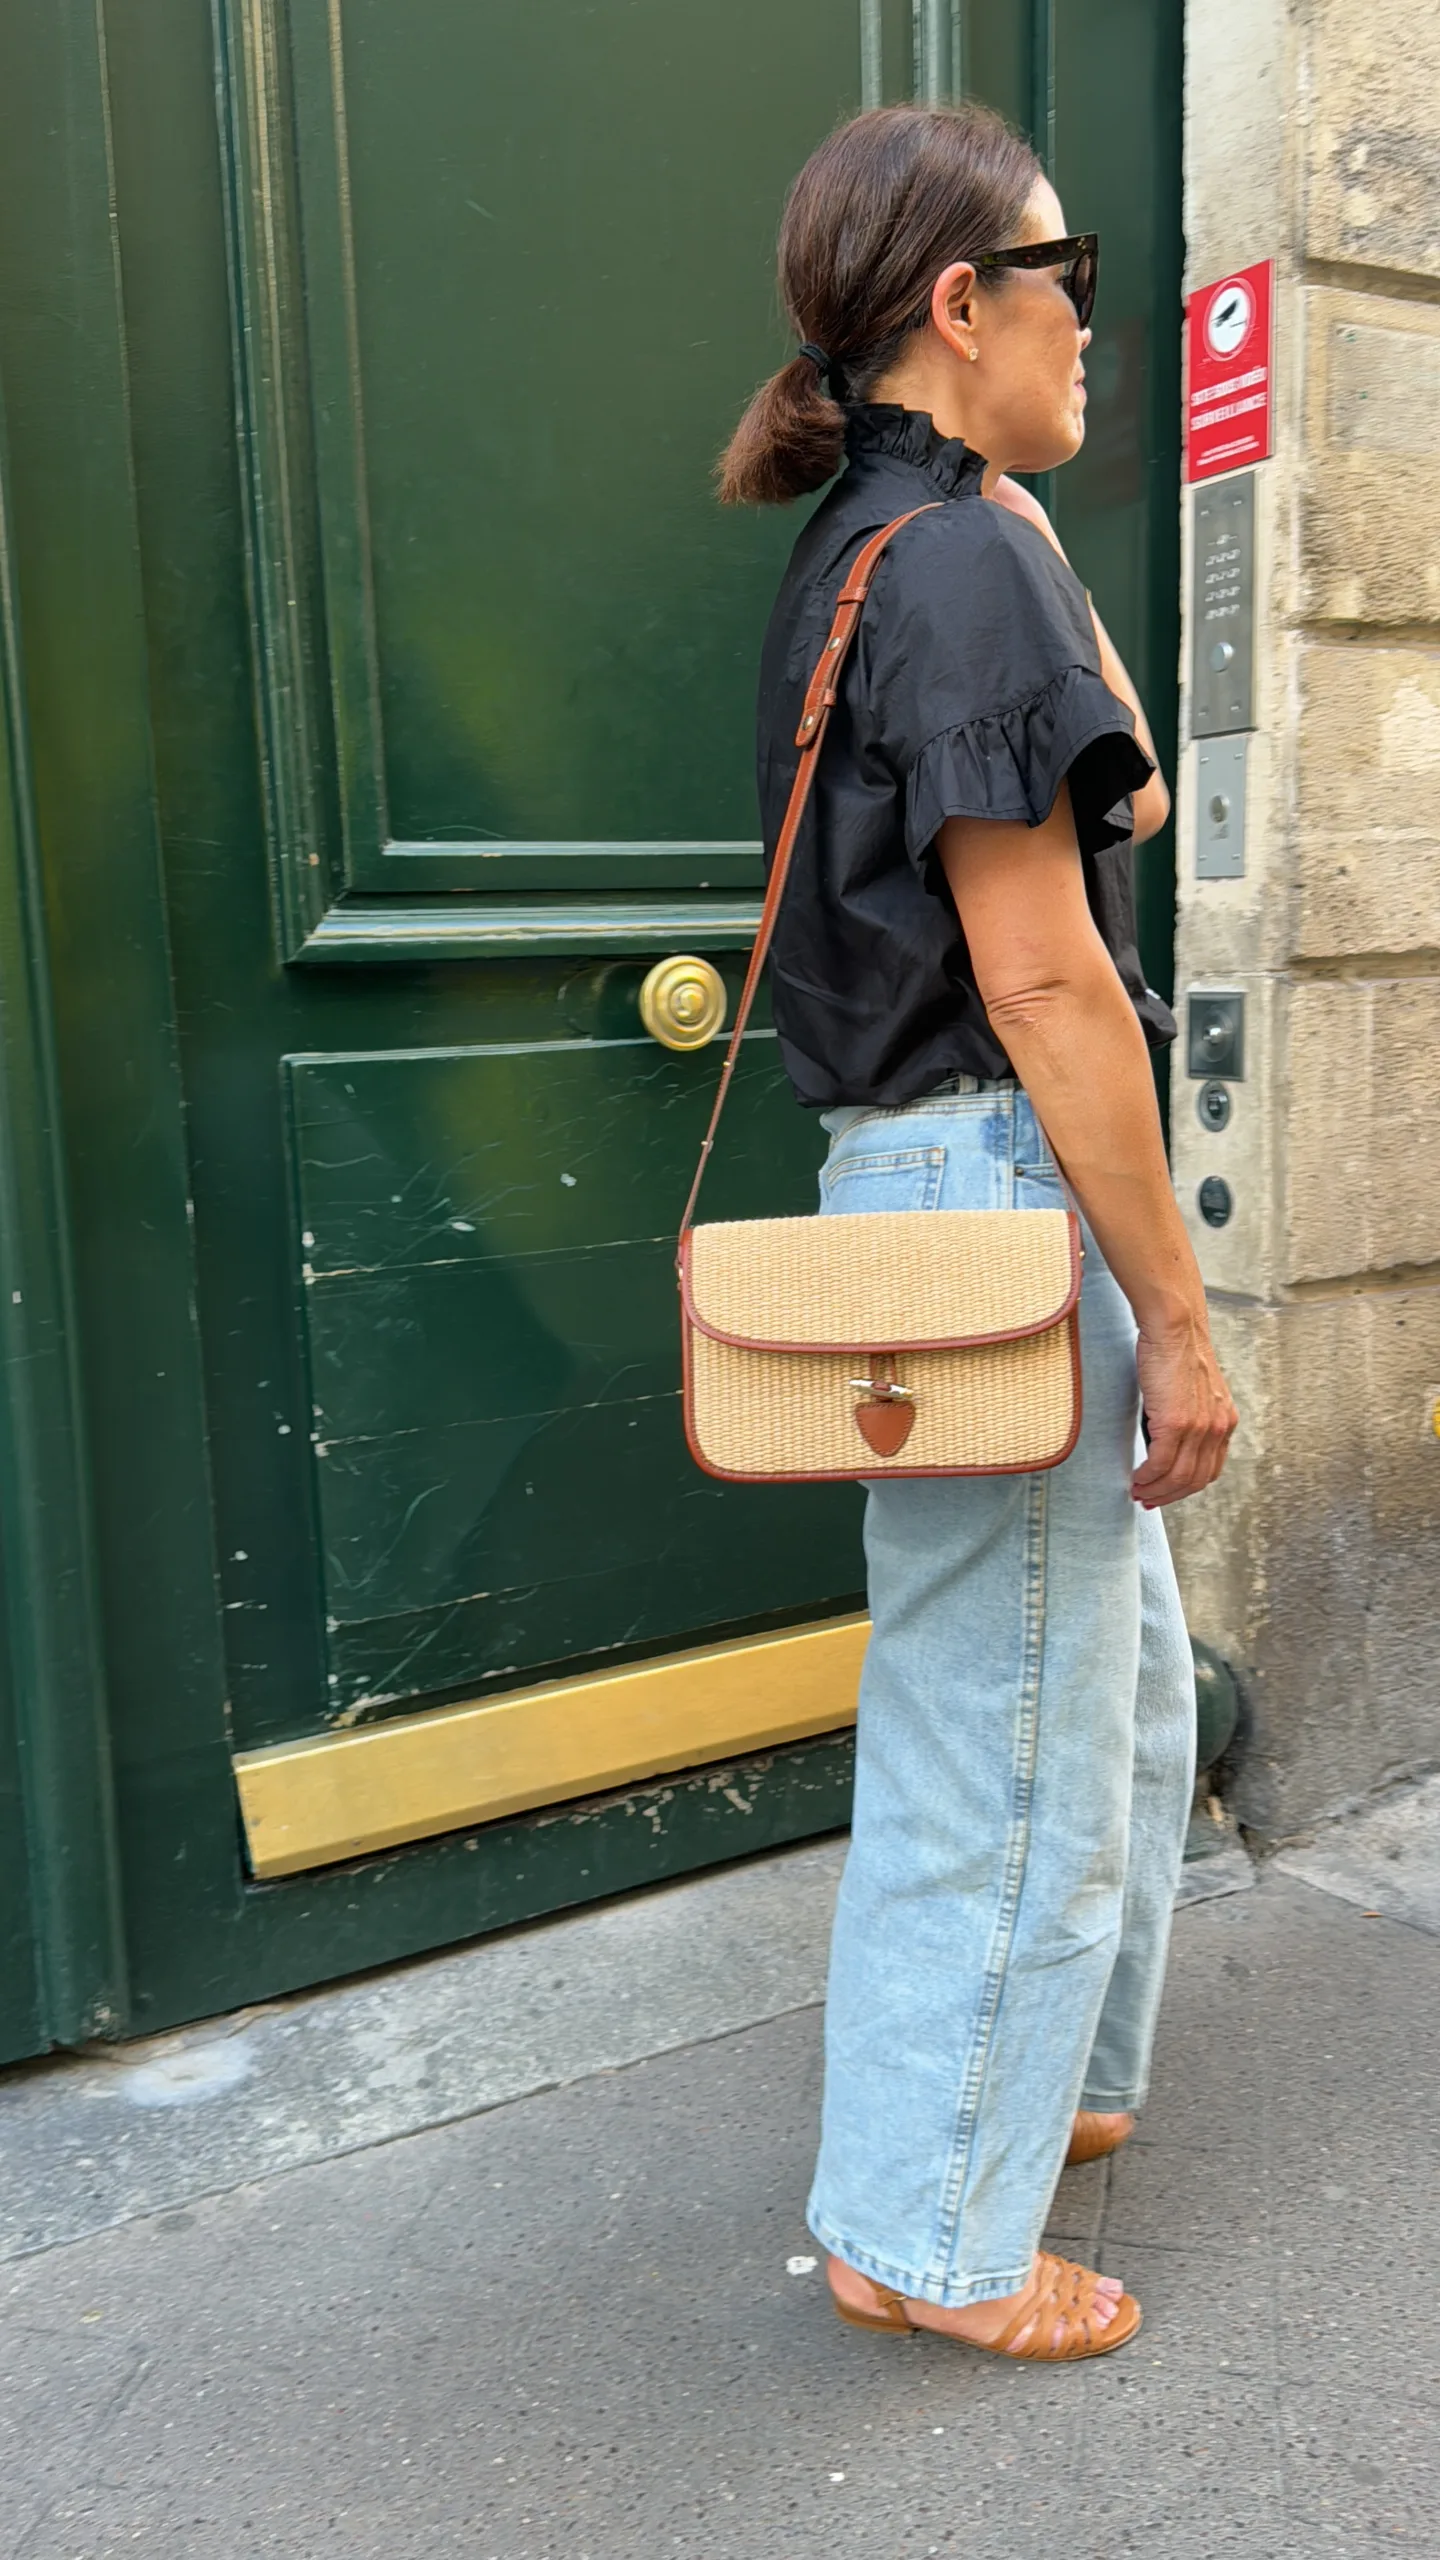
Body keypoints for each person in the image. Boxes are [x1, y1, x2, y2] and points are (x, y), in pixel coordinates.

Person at [718, 101, 1237, 2362]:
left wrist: (1029, 523)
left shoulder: (905, 551)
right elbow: (1044, 979)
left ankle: (1058, 2082)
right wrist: (1182, 1316)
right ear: (961, 300)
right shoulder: (948, 567)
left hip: (949, 1183)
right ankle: (922, 2231)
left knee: (1107, 1681)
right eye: (1066, 276)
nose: (1091, 324)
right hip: (997, 1183)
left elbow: (1120, 803)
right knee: (1002, 1717)